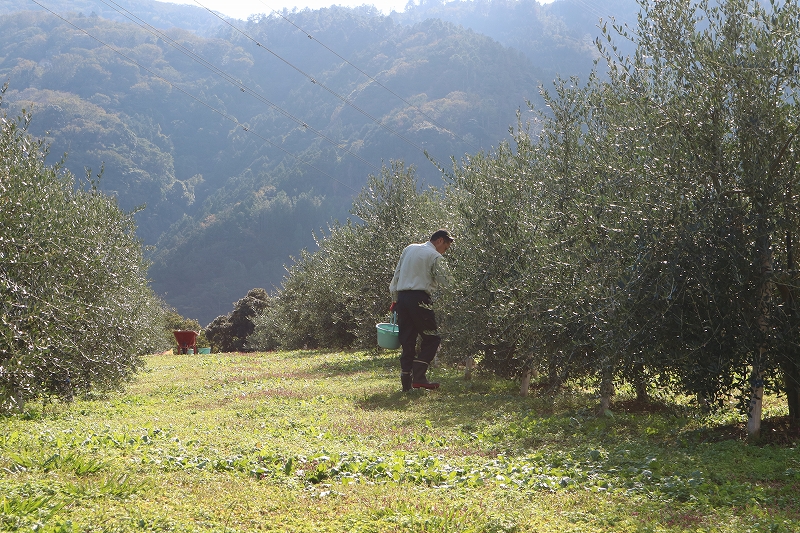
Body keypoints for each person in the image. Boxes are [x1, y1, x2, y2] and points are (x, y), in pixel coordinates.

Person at [389, 229, 454, 391]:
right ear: (439, 241)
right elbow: (447, 282)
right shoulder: (435, 257)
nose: (444, 252)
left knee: (407, 340)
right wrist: (460, 295)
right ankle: (419, 376)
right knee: (432, 338)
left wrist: (394, 299)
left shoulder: (409, 248)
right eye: (445, 247)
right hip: (420, 298)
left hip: (402, 298)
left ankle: (406, 383)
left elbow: (396, 275)